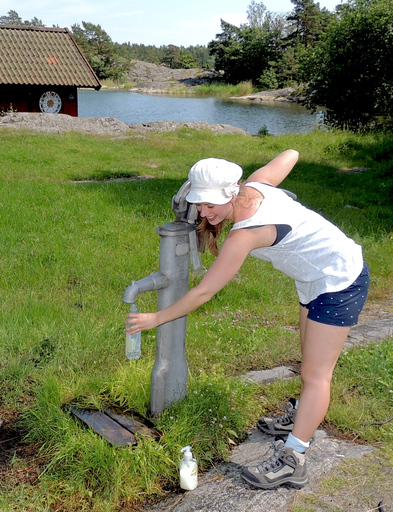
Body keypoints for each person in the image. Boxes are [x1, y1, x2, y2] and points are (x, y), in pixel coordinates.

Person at [125, 149, 369, 490]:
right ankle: (303, 416)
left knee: (316, 375)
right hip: (313, 279)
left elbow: (204, 292)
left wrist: (157, 317)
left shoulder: (246, 233)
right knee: (309, 361)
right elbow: (291, 154)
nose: (205, 213)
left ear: (231, 193)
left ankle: (294, 458)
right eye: (200, 204)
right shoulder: (256, 184)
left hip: (341, 279)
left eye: (211, 205)